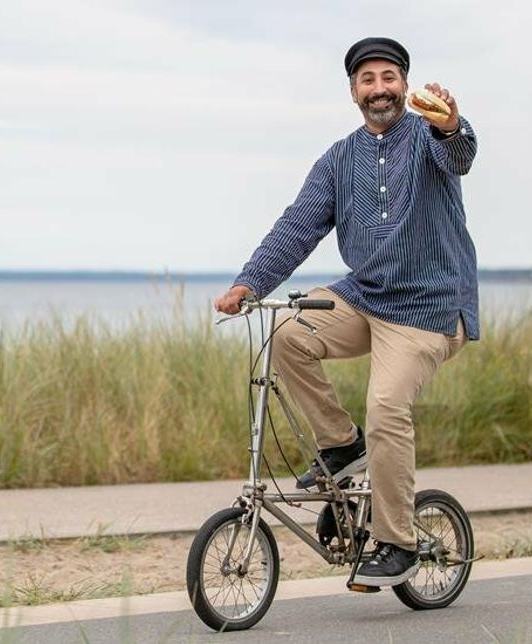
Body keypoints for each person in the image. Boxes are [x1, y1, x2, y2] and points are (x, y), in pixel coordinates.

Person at [214, 36, 478, 587]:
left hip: (428, 308)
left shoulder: (431, 137)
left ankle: (398, 542)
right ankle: (340, 445)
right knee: (287, 335)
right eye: (368, 79)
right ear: (354, 91)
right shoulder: (339, 158)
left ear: (405, 85)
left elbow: (461, 155)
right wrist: (248, 282)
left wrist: (452, 125)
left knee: (385, 405)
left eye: (389, 78)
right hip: (366, 297)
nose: (379, 89)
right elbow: (298, 226)